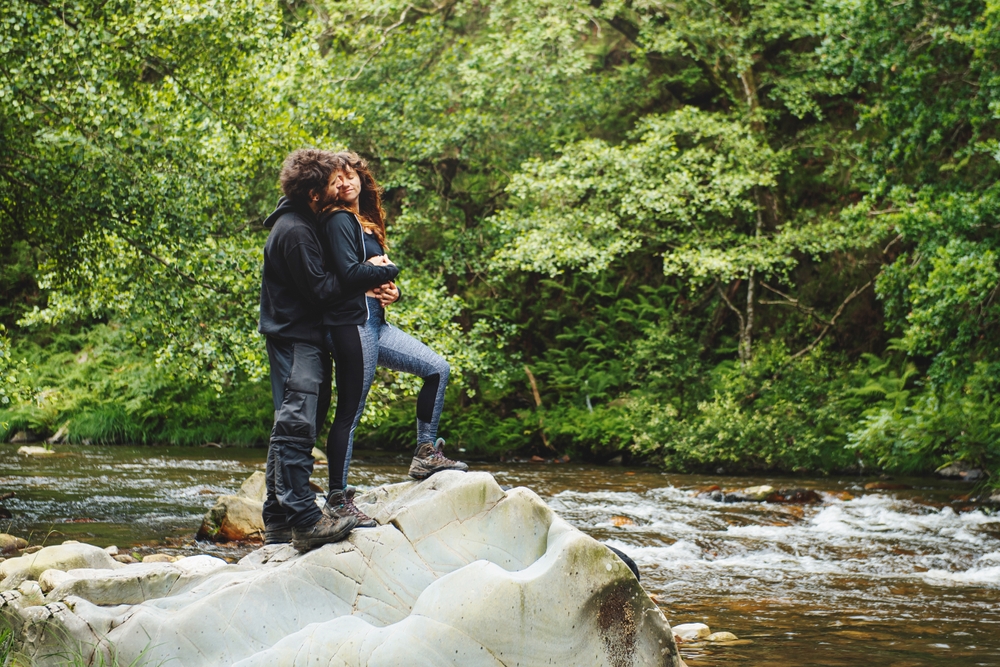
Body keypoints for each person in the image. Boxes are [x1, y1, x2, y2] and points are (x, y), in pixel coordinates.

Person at [258, 148, 400, 551]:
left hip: (303, 336)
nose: (340, 189)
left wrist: (367, 280)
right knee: (296, 426)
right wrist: (374, 276)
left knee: (293, 425)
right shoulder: (295, 231)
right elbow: (321, 290)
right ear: (312, 192)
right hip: (296, 337)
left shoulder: (301, 222)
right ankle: (303, 520)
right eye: (330, 184)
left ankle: (277, 521)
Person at [319, 151, 467, 527]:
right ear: (330, 186)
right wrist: (381, 271)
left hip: (377, 323)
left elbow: (371, 275)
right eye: (339, 178)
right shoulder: (337, 220)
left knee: (437, 368)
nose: (347, 182)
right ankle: (336, 498)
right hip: (352, 324)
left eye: (351, 175)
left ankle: (425, 453)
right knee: (350, 411)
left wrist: (392, 290)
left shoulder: (364, 222)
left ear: (362, 179)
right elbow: (349, 274)